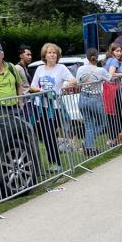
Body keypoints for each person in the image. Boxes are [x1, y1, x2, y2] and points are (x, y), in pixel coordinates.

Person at [29, 43, 78, 171]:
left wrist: (64, 86)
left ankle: (56, 163)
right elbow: (32, 86)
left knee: (49, 133)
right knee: (44, 136)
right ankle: (54, 158)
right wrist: (41, 90)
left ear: (57, 55)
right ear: (44, 55)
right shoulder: (40, 69)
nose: (52, 55)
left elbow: (73, 80)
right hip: (40, 107)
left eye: (54, 53)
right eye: (49, 52)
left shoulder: (61, 68)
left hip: (54, 107)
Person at [75, 48, 109, 156]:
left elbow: (78, 82)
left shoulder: (80, 69)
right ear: (97, 57)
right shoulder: (101, 70)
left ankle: (89, 147)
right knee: (102, 122)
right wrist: (121, 74)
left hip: (83, 98)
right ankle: (88, 143)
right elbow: (110, 78)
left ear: (87, 57)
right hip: (95, 99)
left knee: (88, 124)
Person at [103, 41, 122, 145]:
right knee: (119, 113)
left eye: (120, 51)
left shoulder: (114, 61)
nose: (119, 53)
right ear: (112, 51)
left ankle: (116, 137)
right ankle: (117, 136)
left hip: (113, 89)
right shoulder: (114, 60)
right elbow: (110, 75)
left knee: (114, 114)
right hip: (113, 90)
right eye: (117, 51)